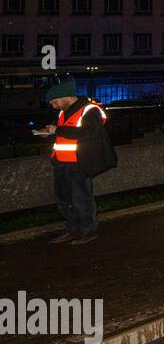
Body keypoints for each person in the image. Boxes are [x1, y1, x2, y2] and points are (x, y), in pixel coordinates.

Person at [36, 79, 115, 245]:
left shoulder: (90, 110)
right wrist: (50, 133)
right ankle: (73, 230)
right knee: (64, 199)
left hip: (80, 163)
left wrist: (57, 130)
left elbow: (87, 132)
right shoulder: (63, 113)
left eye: (55, 101)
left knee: (82, 199)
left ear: (65, 97)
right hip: (61, 163)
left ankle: (88, 231)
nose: (54, 106)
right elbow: (66, 134)